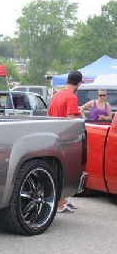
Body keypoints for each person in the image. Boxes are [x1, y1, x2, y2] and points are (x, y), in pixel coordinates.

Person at [48, 70, 83, 213]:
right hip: (65, 139)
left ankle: (60, 200)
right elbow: (70, 119)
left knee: (55, 170)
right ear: (79, 83)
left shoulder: (57, 95)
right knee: (65, 172)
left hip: (53, 137)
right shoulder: (71, 97)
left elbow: (49, 115)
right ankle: (60, 203)